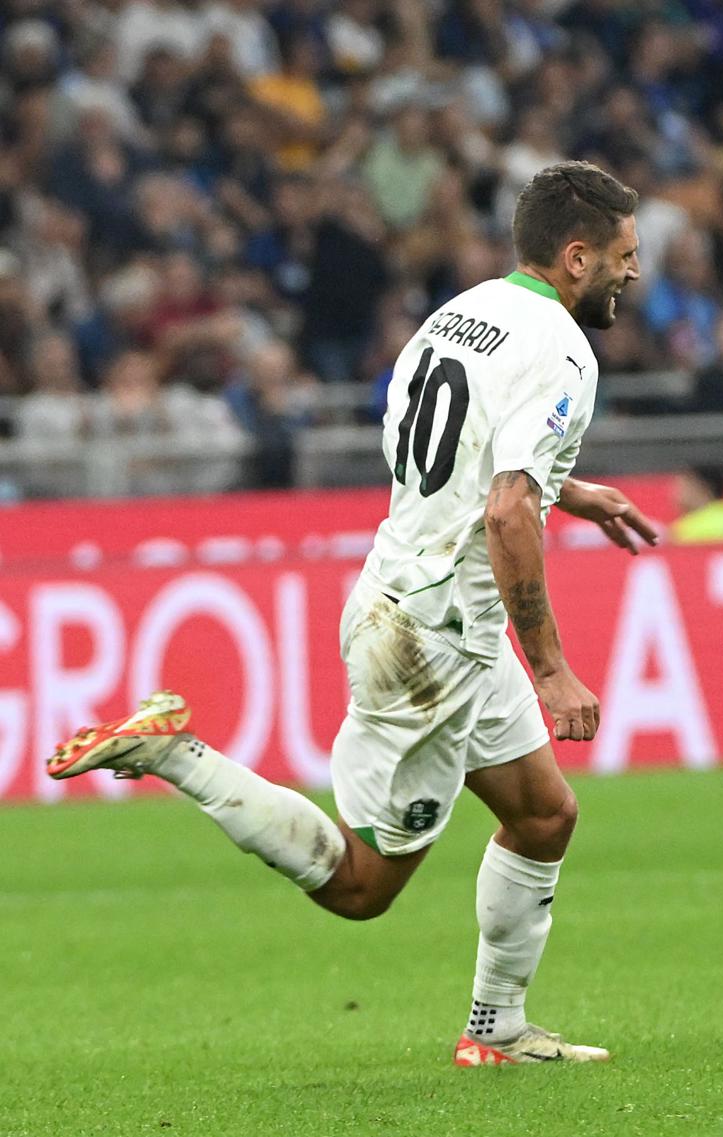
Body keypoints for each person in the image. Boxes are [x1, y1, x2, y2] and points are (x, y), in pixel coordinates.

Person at [45, 161, 659, 1065]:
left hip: (420, 601)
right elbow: (504, 511)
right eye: (623, 255)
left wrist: (571, 488)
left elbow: (458, 455)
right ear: (576, 257)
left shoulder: (459, 316)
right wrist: (554, 669)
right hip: (434, 643)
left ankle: (497, 1029)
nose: (632, 271)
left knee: (544, 815)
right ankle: (175, 753)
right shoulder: (564, 350)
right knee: (362, 886)